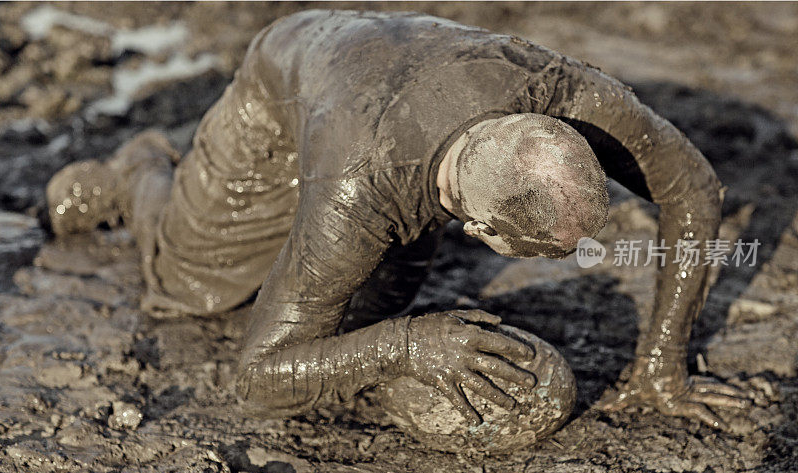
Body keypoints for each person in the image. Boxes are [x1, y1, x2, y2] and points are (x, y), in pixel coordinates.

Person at [46, 10, 749, 445]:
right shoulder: (358, 196)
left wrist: (661, 366)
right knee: (196, 286)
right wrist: (408, 347)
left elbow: (692, 184)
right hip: (287, 89)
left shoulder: (562, 89)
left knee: (367, 305)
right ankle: (137, 170)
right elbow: (256, 377)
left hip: (384, 83)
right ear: (480, 229)